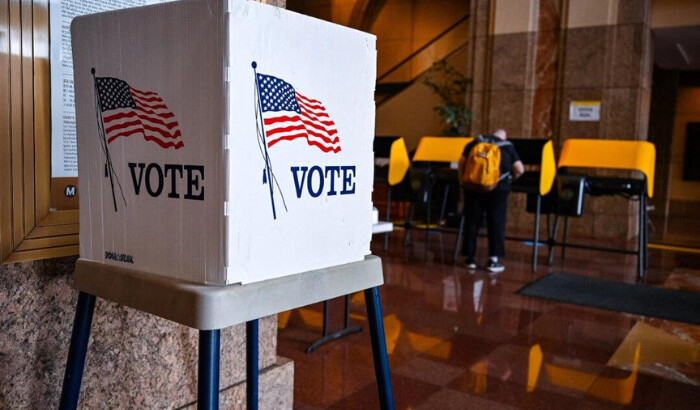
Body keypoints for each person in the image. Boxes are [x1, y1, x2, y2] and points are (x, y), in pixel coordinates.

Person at [458, 129, 524, 272]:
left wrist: (463, 182)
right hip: (498, 190)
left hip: (473, 188)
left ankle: (469, 259)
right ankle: (493, 260)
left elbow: (461, 163)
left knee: (472, 221)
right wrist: (509, 180)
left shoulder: (474, 143)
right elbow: (519, 169)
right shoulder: (508, 146)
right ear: (504, 137)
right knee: (496, 222)